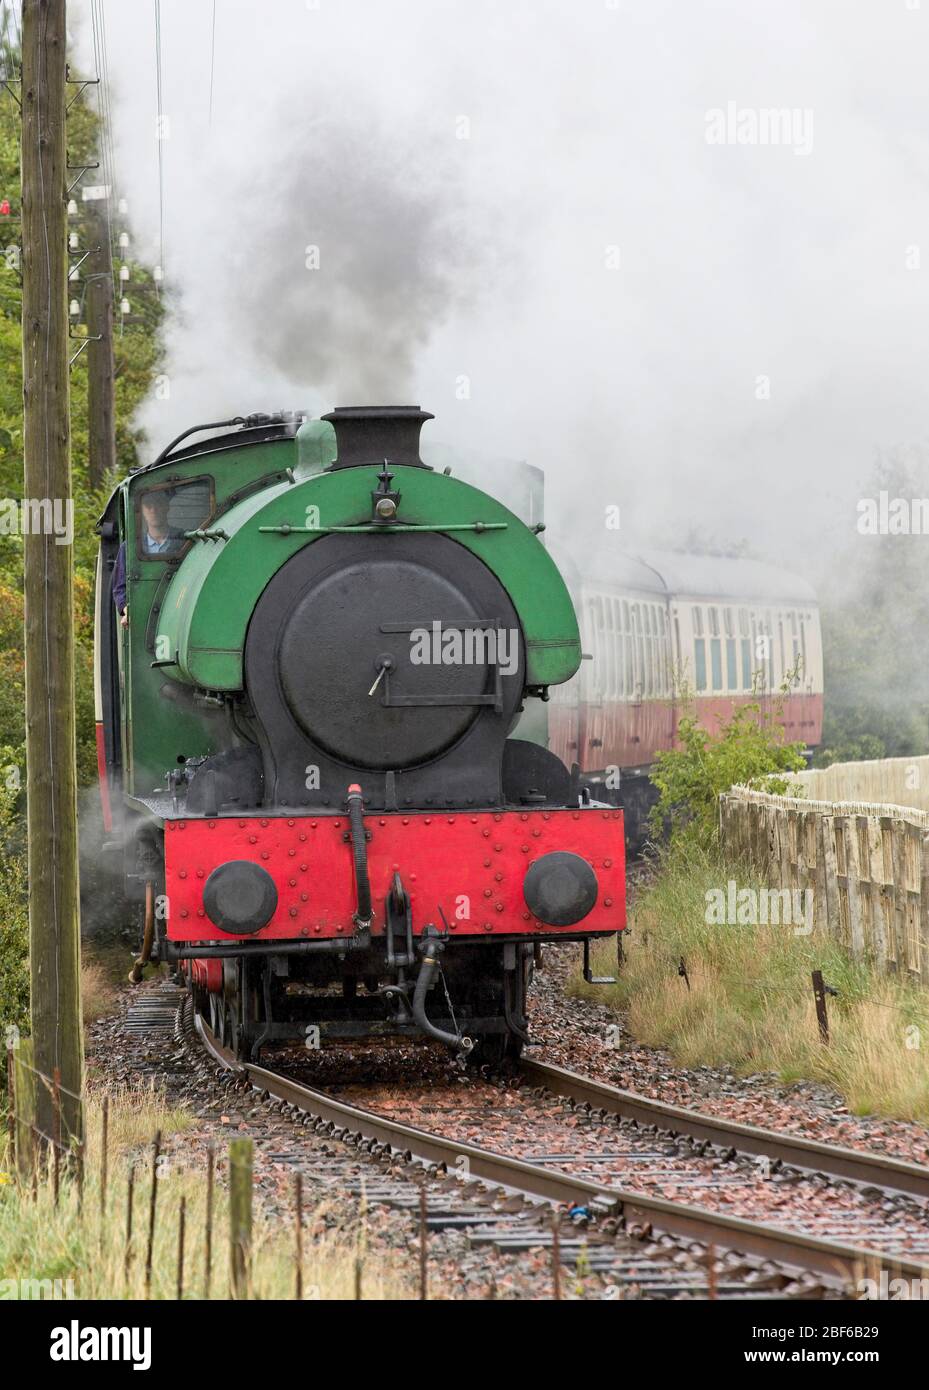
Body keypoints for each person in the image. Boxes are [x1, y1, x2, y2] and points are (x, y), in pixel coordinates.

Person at [112, 489, 185, 628]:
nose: (153, 510)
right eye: (148, 506)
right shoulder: (128, 548)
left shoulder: (184, 541)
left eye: (158, 504)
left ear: (167, 507)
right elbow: (120, 588)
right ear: (142, 511)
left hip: (178, 615)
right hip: (142, 619)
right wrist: (128, 611)